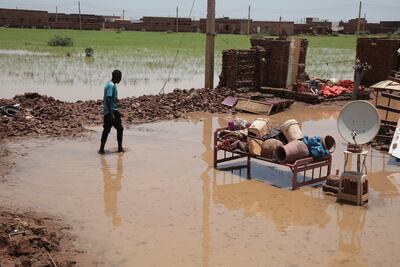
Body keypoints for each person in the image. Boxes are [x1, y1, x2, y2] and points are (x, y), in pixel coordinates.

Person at [99, 69, 124, 154]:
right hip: (111, 112)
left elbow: (111, 100)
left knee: (106, 130)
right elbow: (109, 99)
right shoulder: (111, 86)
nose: (120, 79)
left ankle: (101, 149)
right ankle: (120, 148)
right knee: (120, 129)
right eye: (119, 77)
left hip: (107, 111)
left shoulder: (110, 84)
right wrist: (112, 114)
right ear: (115, 77)